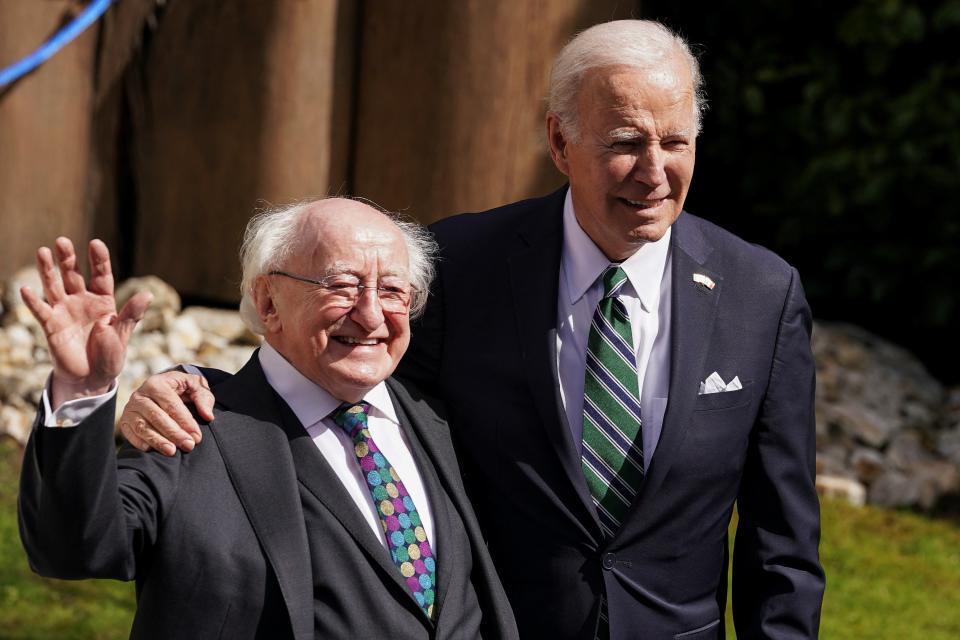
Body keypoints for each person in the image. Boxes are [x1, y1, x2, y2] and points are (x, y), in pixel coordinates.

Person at [118, 20, 825, 640]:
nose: (654, 171)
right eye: (623, 142)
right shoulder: (462, 267)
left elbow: (783, 544)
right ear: (558, 140)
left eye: (676, 142)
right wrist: (199, 392)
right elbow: (342, 372)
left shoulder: (761, 294)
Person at [17, 200, 519, 639]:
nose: (370, 315)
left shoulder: (439, 419)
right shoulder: (195, 424)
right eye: (341, 285)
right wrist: (82, 390)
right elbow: (74, 548)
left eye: (392, 291)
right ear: (268, 301)